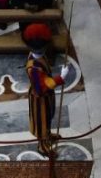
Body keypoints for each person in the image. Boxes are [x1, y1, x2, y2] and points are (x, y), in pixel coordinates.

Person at [23, 23, 68, 156]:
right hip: (39, 99)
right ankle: (42, 145)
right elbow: (42, 86)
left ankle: (47, 135)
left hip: (46, 97)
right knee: (41, 122)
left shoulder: (38, 56)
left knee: (47, 118)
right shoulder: (33, 67)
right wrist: (61, 78)